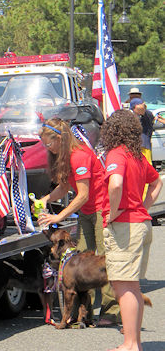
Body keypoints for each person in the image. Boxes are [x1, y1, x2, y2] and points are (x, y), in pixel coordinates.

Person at [36, 118, 120, 326]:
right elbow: (65, 187)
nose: (48, 148)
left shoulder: (79, 156)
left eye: (49, 143)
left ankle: (111, 312)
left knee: (104, 261)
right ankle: (82, 314)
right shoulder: (64, 158)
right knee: (80, 259)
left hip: (102, 209)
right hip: (87, 211)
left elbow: (82, 194)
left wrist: (58, 217)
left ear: (60, 139)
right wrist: (46, 198)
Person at [100, 109, 162, 351]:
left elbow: (115, 183)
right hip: (141, 224)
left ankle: (129, 345)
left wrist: (114, 212)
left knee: (123, 287)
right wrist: (144, 206)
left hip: (125, 226)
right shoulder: (137, 156)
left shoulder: (116, 153)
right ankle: (134, 342)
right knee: (132, 286)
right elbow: (157, 182)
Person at [129, 98, 154, 165]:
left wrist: (142, 106)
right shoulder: (131, 116)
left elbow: (143, 109)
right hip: (134, 146)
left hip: (144, 145)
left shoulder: (147, 114)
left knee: (147, 166)